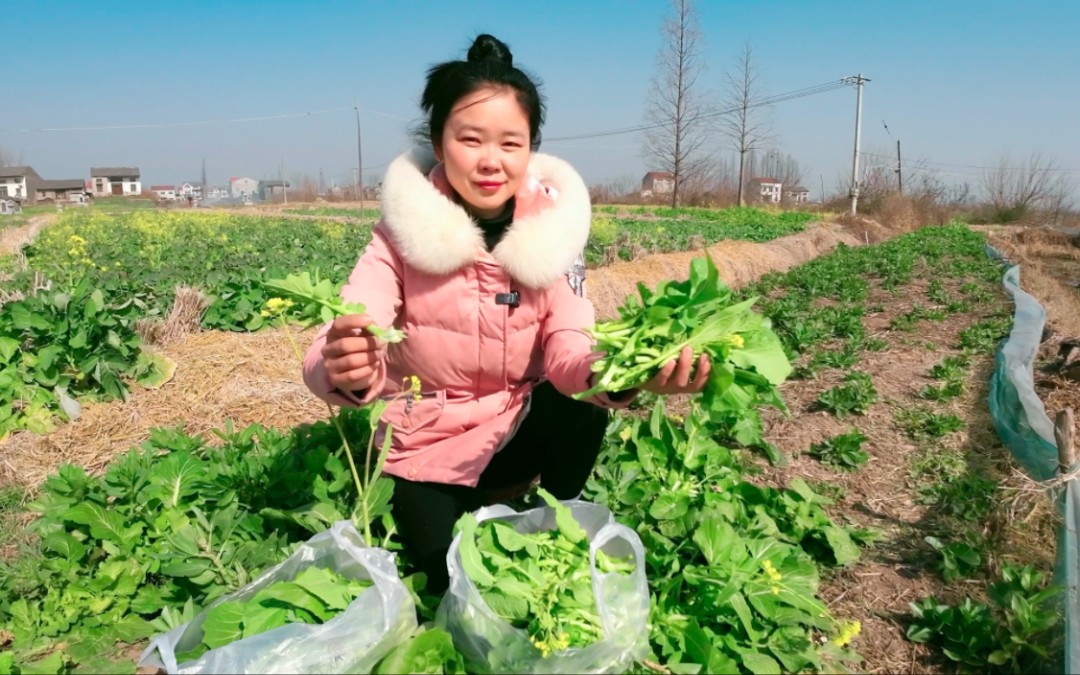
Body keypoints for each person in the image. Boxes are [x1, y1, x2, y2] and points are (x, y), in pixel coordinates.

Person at [303, 33, 710, 593]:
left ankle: (553, 523)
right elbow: (350, 322)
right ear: (440, 143)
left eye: (511, 144)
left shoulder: (552, 234)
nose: (491, 161)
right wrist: (342, 363)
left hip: (515, 429)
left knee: (581, 410)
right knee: (443, 579)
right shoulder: (398, 237)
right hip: (428, 439)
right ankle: (476, 508)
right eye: (470, 139)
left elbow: (571, 339)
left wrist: (617, 373)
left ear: (531, 150)